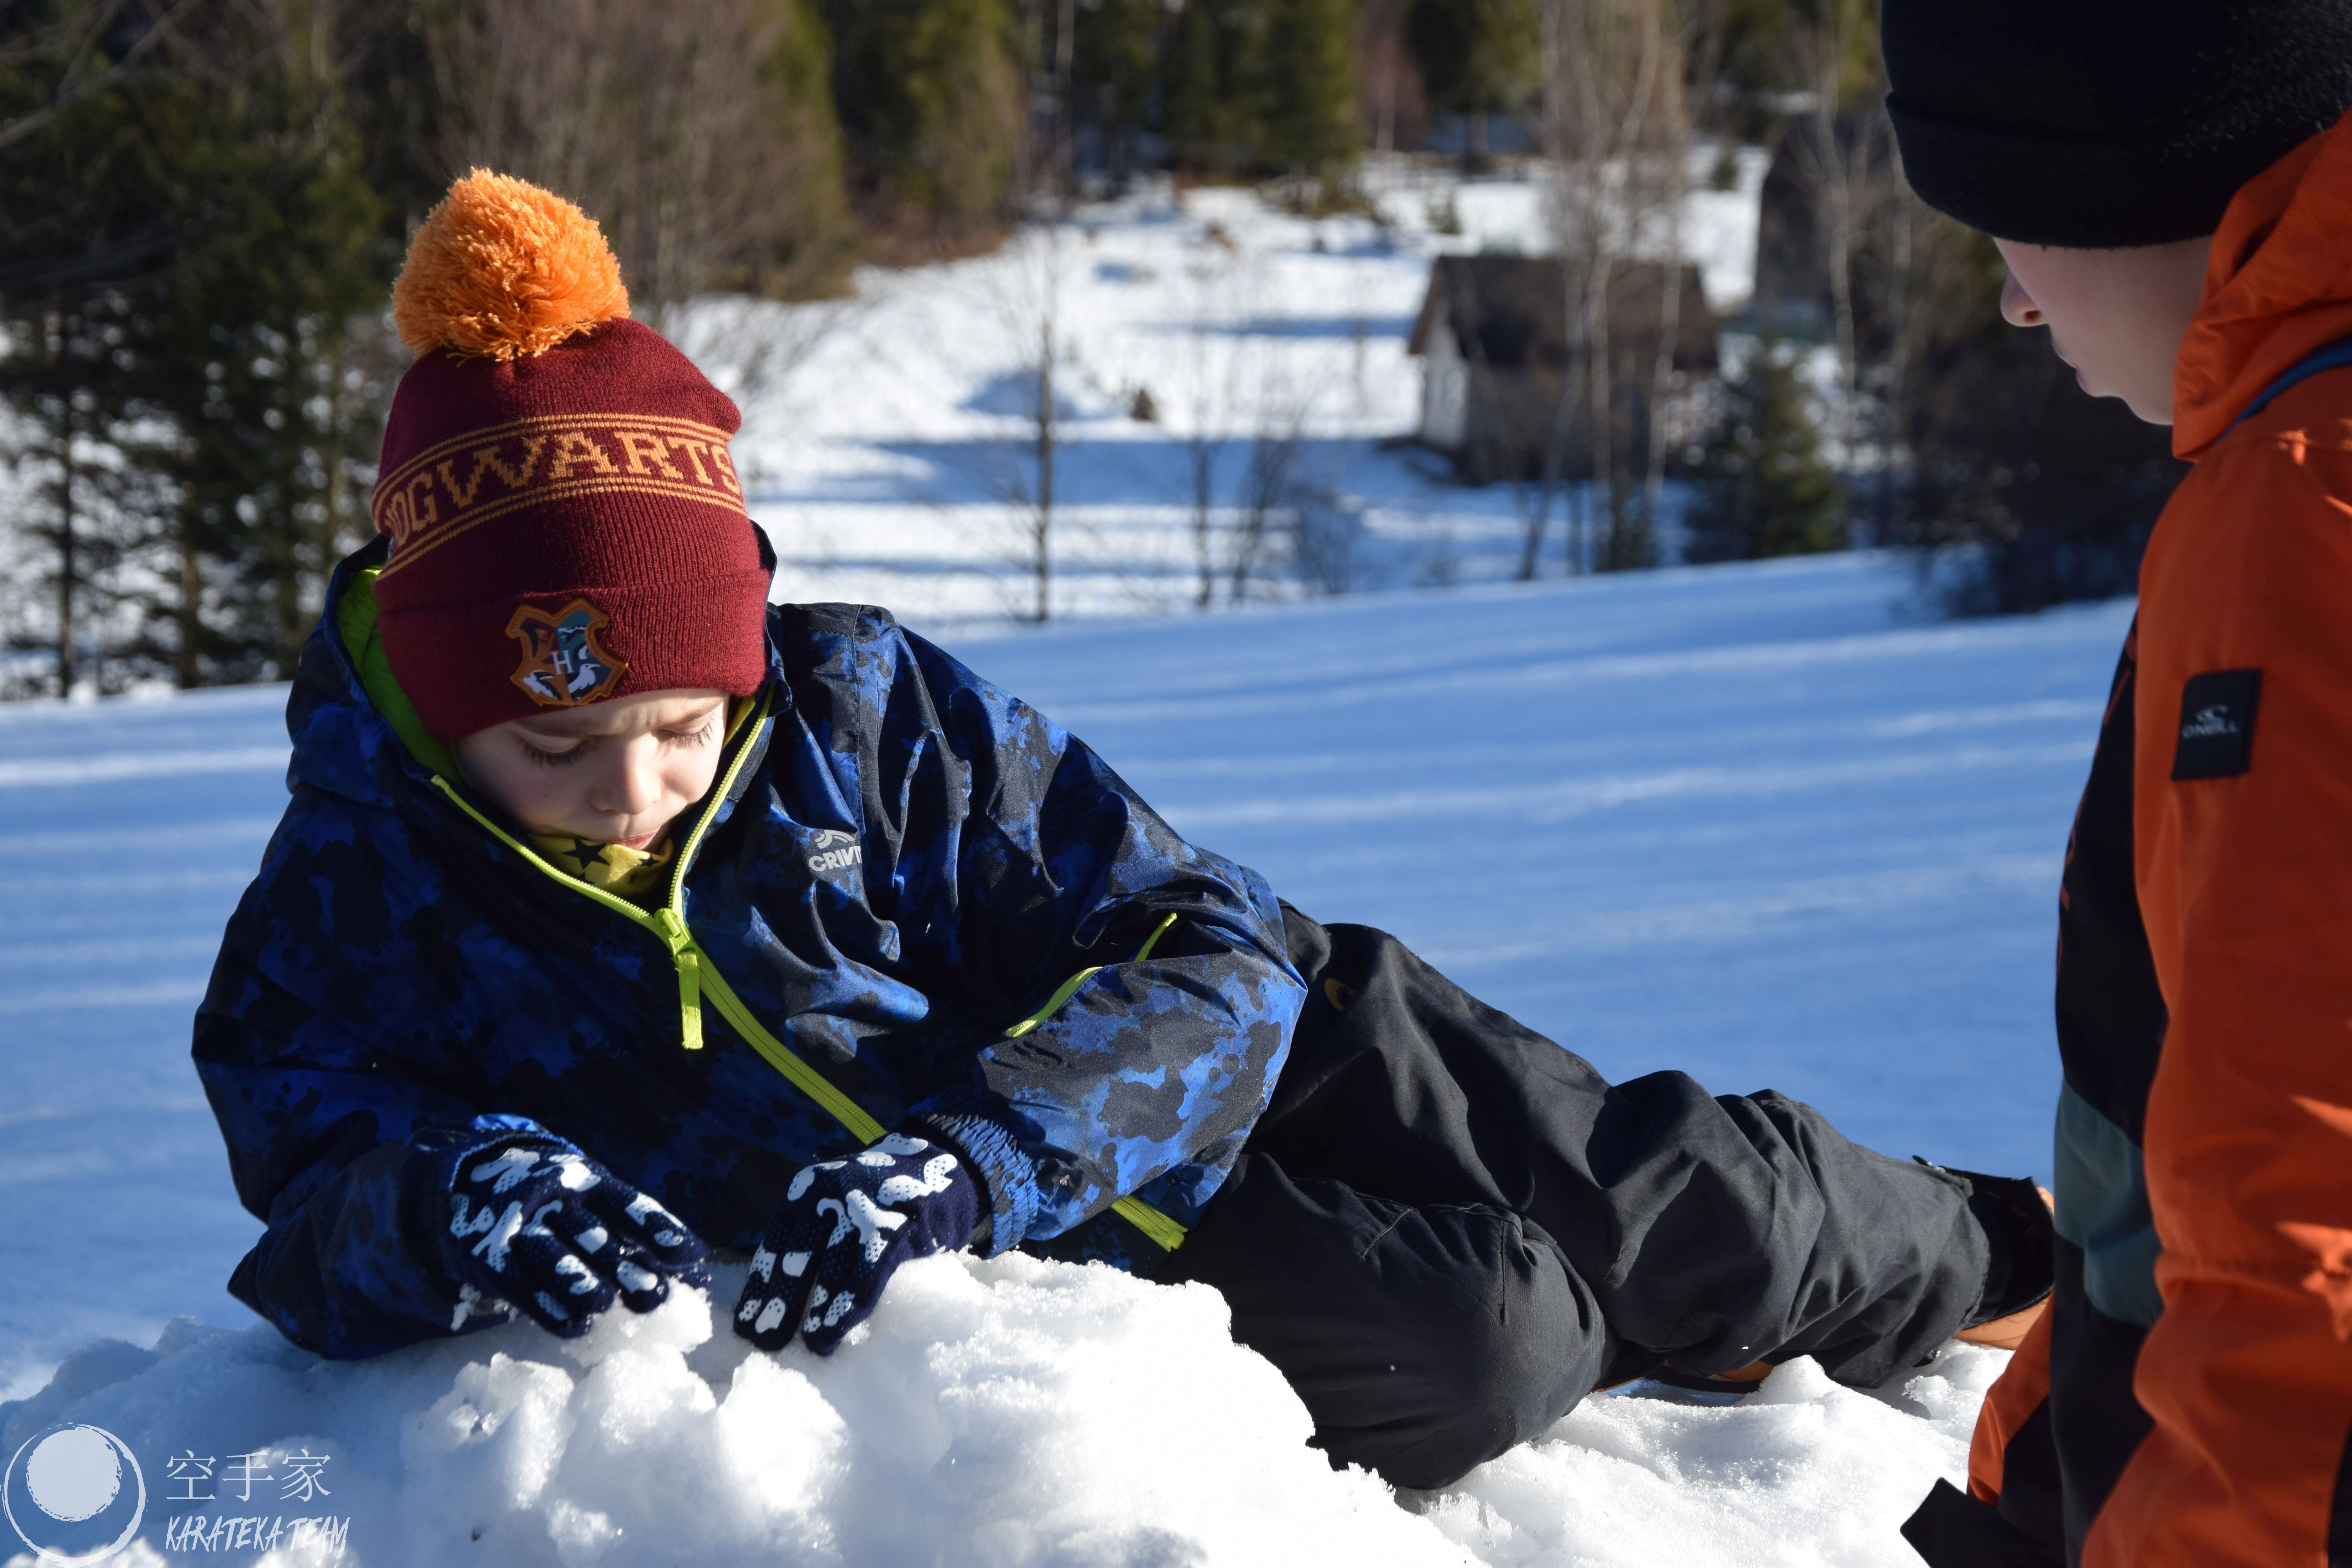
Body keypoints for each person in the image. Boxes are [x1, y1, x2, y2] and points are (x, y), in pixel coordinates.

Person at [194, 169, 2050, 1494]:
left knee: (1677, 1200)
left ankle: (2022, 1256)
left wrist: (984, 1155)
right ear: (441, 709)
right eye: (558, 741)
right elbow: (312, 1178)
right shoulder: (350, 893)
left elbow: (1205, 936)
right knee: (1494, 1338)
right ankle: (1659, 1334)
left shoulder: (857, 709)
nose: (633, 788)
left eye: (684, 726)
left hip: (1219, 1058)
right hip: (1048, 1273)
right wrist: (461, 1200)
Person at [1877, 4, 2352, 1564]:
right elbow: (2152, 1181)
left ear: (2151, 167)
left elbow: (2298, 1235)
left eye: (2016, 221)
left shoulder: (2303, 507)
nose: (2013, 300)